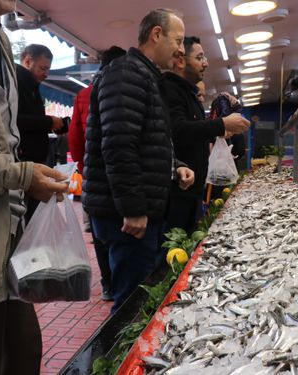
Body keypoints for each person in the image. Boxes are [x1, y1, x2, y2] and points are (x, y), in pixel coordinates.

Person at [0, 0, 69, 373]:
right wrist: (20, 175)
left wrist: (28, 179)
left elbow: (5, 138)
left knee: (25, 353)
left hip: (9, 232)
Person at [83, 8, 194, 312]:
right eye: (178, 40)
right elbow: (119, 145)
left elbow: (149, 139)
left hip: (139, 211)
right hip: (127, 218)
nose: (181, 49)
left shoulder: (146, 76)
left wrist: (176, 166)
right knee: (132, 305)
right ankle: (123, 360)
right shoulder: (127, 72)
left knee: (141, 296)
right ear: (157, 34)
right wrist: (133, 209)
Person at [162, 37, 250, 234]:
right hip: (178, 191)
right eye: (200, 57)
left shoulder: (188, 93)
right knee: (173, 253)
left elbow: (194, 131)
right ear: (181, 61)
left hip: (192, 190)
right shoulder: (170, 90)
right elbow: (177, 131)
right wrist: (220, 125)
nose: (206, 63)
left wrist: (219, 132)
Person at [68, 45, 126, 301]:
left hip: (94, 174)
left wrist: (85, 167)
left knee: (101, 233)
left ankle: (108, 284)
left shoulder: (84, 94)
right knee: (124, 227)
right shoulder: (122, 90)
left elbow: (75, 138)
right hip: (122, 172)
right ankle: (124, 284)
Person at [16, 44, 68, 222]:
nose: (46, 74)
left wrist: (50, 122)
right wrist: (48, 122)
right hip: (23, 165)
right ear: (28, 61)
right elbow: (16, 120)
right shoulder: (16, 81)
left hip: (34, 163)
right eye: (43, 68)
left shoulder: (32, 85)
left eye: (48, 69)